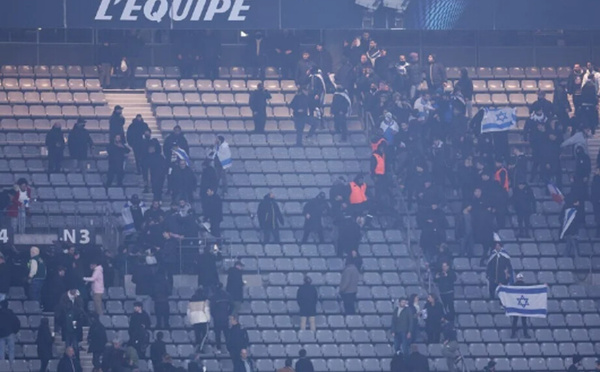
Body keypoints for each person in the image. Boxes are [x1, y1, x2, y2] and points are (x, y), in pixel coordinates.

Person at [54, 288, 85, 353]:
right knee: (68, 343)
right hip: (67, 328)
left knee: (75, 343)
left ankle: (75, 354)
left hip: (75, 329)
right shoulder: (64, 298)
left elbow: (81, 309)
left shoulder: (78, 298)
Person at [210, 282, 232, 354]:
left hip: (217, 319)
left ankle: (219, 349)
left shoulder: (214, 296)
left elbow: (211, 309)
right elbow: (231, 306)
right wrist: (228, 313)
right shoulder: (227, 295)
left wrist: (214, 315)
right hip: (225, 318)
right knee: (227, 335)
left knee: (218, 334)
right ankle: (229, 349)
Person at [508, 272, 530, 339]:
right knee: (522, 321)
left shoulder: (513, 286)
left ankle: (513, 334)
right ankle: (525, 334)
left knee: (516, 320)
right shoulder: (526, 286)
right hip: (521, 305)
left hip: (516, 305)